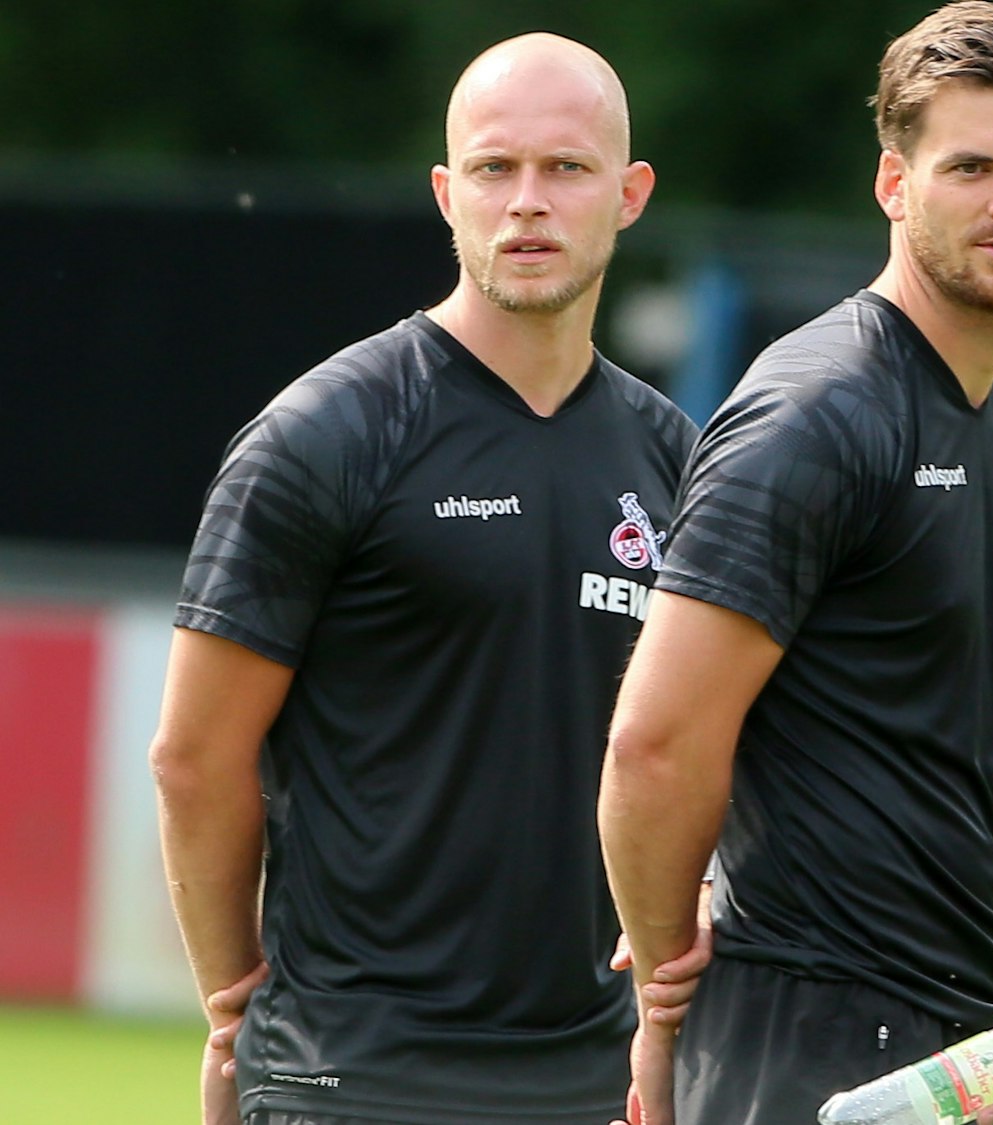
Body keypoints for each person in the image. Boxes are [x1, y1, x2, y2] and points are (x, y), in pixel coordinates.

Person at [149, 33, 703, 1125]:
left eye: (567, 169)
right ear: (448, 194)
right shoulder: (328, 434)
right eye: (496, 170)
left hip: (587, 1083)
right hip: (352, 1075)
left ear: (629, 194)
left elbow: (698, 747)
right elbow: (192, 755)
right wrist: (232, 1004)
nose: (528, 203)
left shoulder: (676, 458)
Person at [598, 4, 993, 1123]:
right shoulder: (818, 412)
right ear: (893, 183)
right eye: (970, 166)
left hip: (940, 1024)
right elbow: (655, 740)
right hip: (799, 1023)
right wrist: (661, 1028)